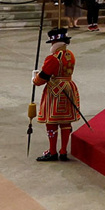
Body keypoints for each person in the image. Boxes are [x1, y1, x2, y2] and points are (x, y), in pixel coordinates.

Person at [33, 27, 80, 161]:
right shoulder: (70, 55)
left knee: (52, 122)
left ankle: (53, 151)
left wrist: (35, 79)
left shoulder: (53, 58)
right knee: (66, 121)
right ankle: (64, 150)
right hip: (69, 87)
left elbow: (43, 78)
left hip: (55, 91)